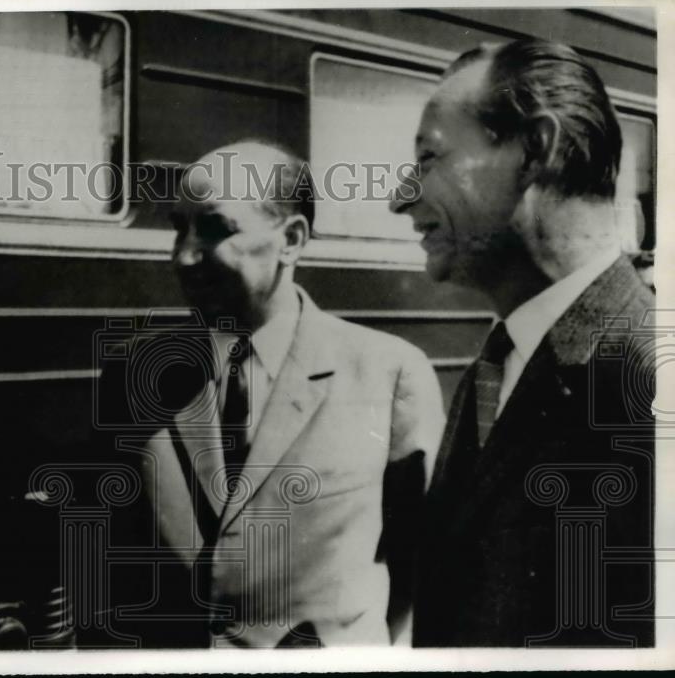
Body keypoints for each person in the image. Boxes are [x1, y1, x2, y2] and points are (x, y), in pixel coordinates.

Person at [96, 141, 444, 647]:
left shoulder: (390, 373)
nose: (183, 255)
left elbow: (423, 567)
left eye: (214, 229)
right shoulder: (134, 375)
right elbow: (112, 563)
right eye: (179, 228)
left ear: (292, 240)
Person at [389, 39, 655, 647]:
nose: (401, 197)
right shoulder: (502, 358)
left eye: (429, 159)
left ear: (535, 150)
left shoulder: (646, 386)